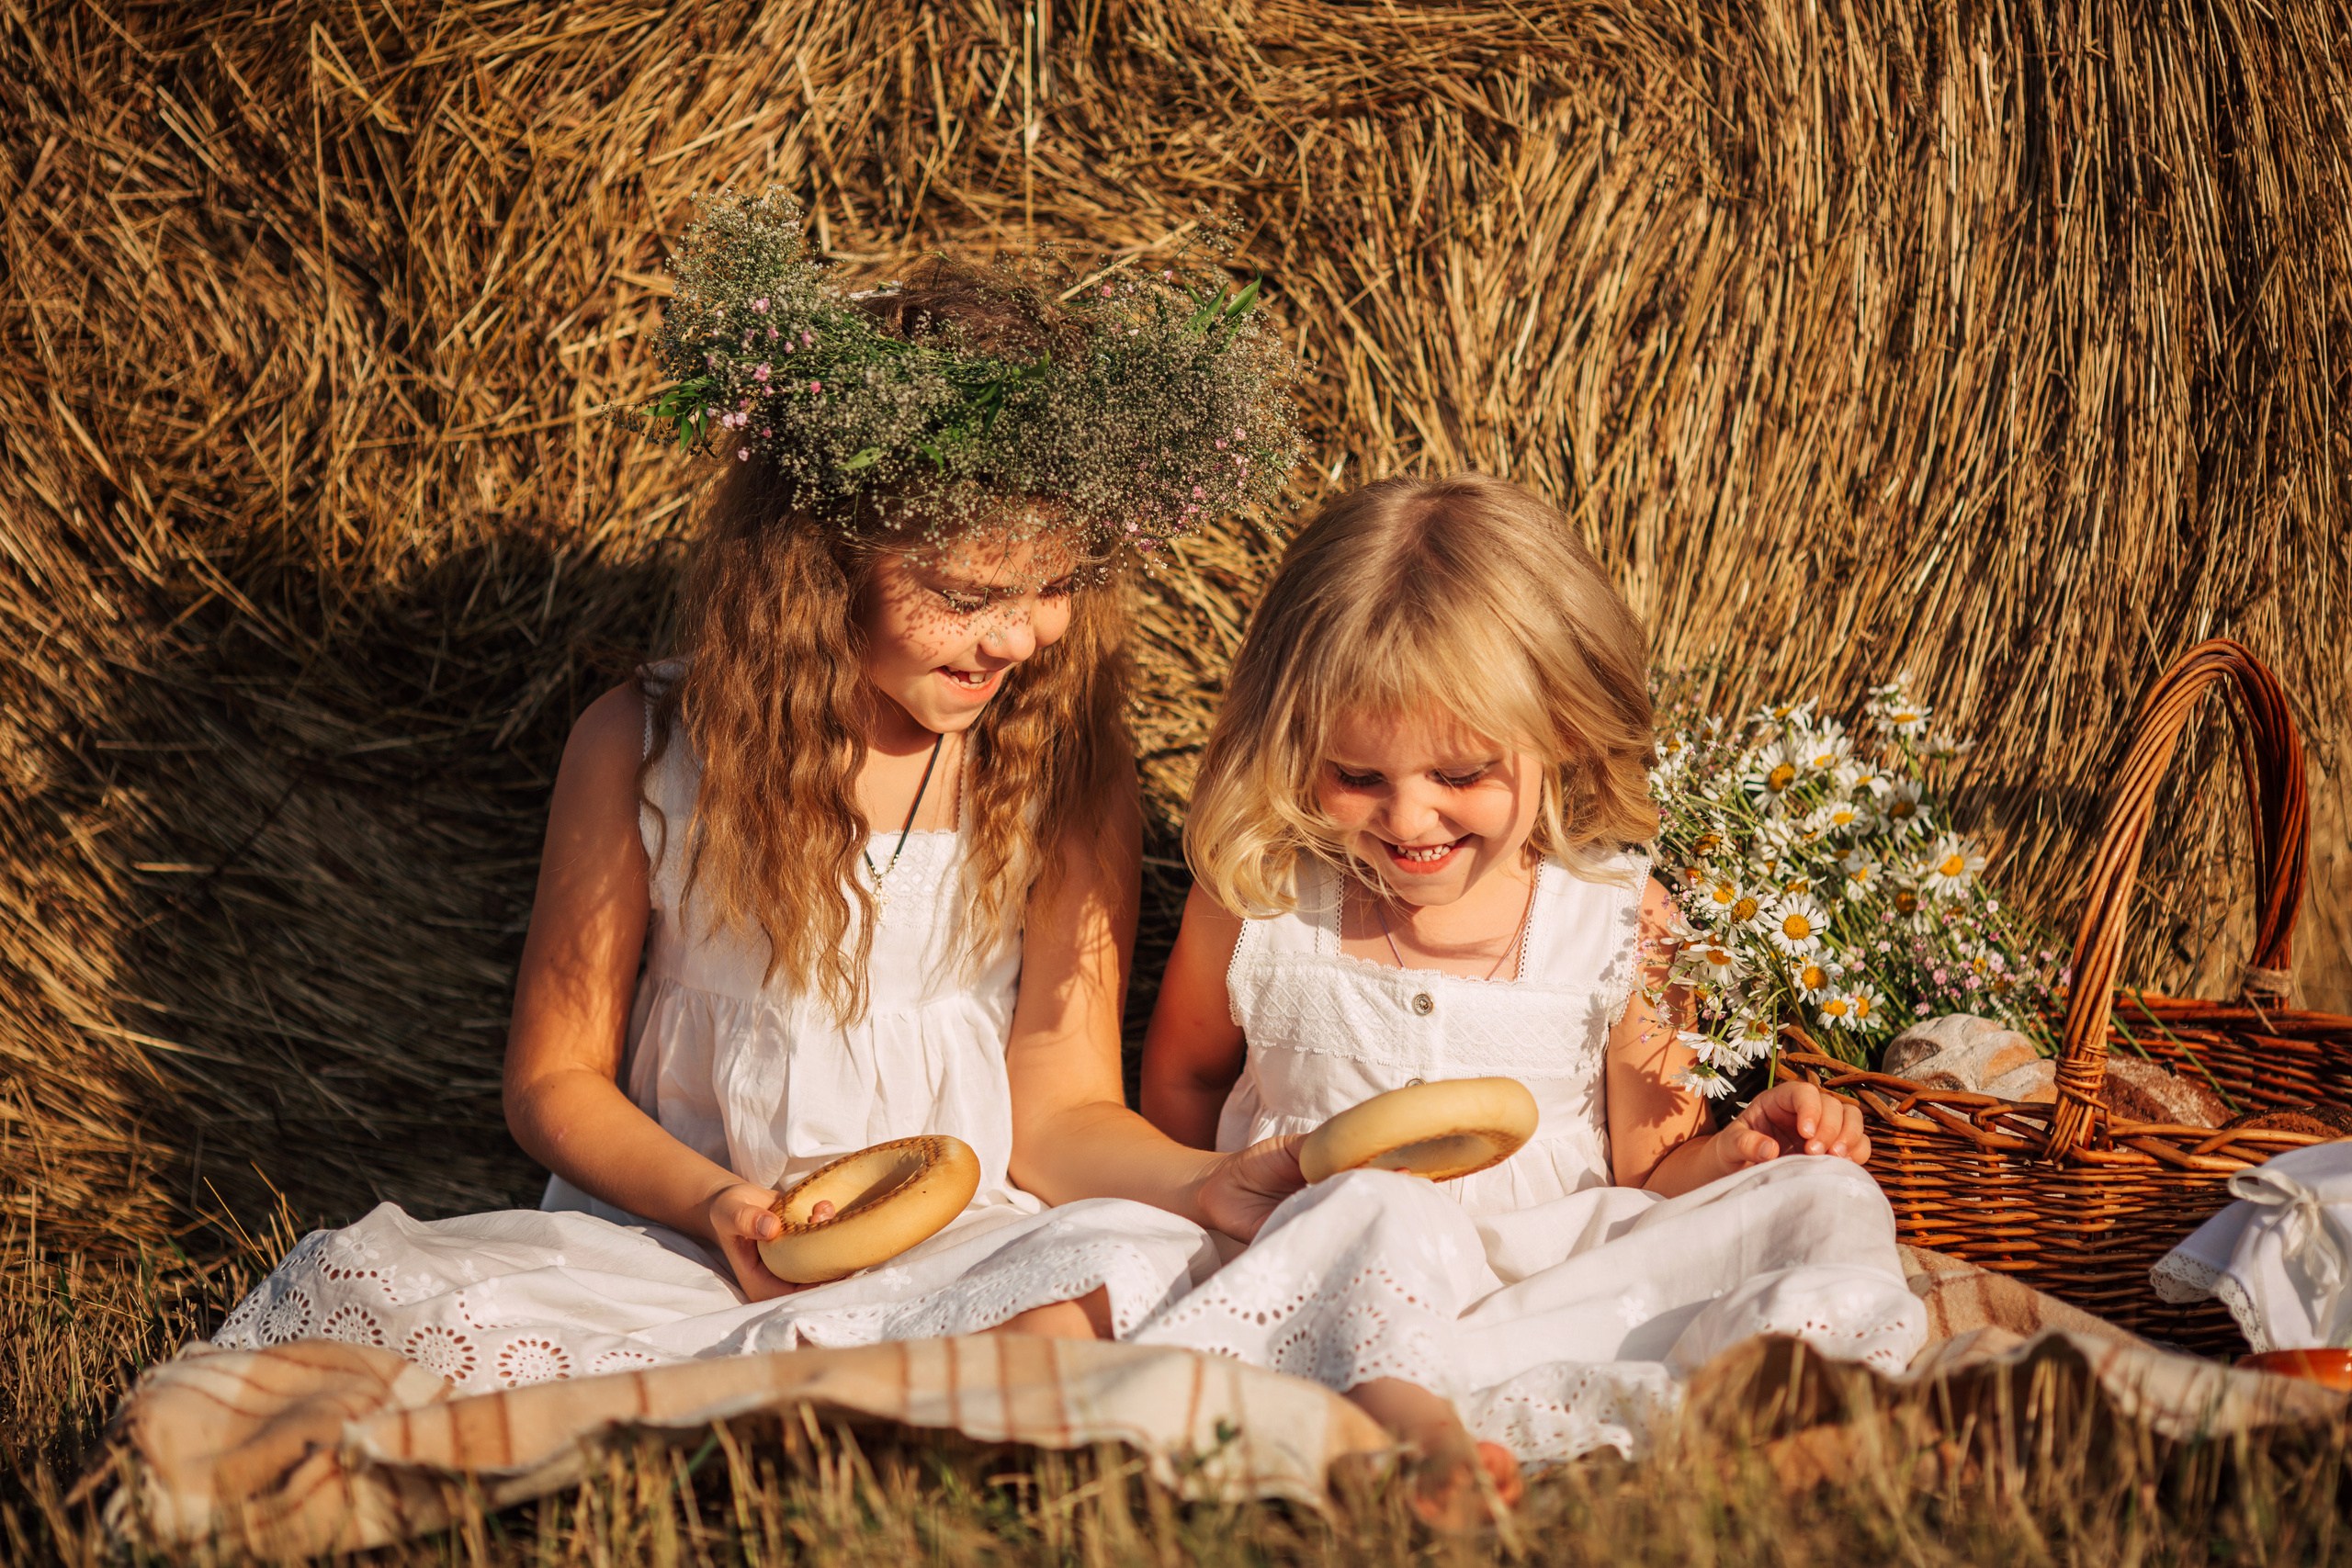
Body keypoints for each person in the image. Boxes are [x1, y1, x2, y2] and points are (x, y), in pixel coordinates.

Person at [212, 191, 1309, 1391]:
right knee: (391, 1327)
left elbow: (1057, 1110)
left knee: (1120, 1276)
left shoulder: (1057, 774)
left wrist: (1200, 1183)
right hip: (682, 1238)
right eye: (963, 595)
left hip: (962, 1243)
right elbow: (552, 1079)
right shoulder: (642, 750)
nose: (1015, 638)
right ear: (822, 562)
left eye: (1053, 589)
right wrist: (718, 1205)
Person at [1130, 472, 1927, 1524]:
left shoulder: (1618, 920)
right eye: (1357, 777)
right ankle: (1418, 1444)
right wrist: (1198, 1223)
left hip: (1553, 1290)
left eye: (1460, 775)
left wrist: (1738, 1155)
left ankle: (1795, 1400)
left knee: (1826, 1201)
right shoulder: (1265, 899)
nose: (1409, 818)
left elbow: (1651, 1174)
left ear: (1564, 728)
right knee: (1378, 1201)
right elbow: (1184, 1082)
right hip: (1331, 1290)